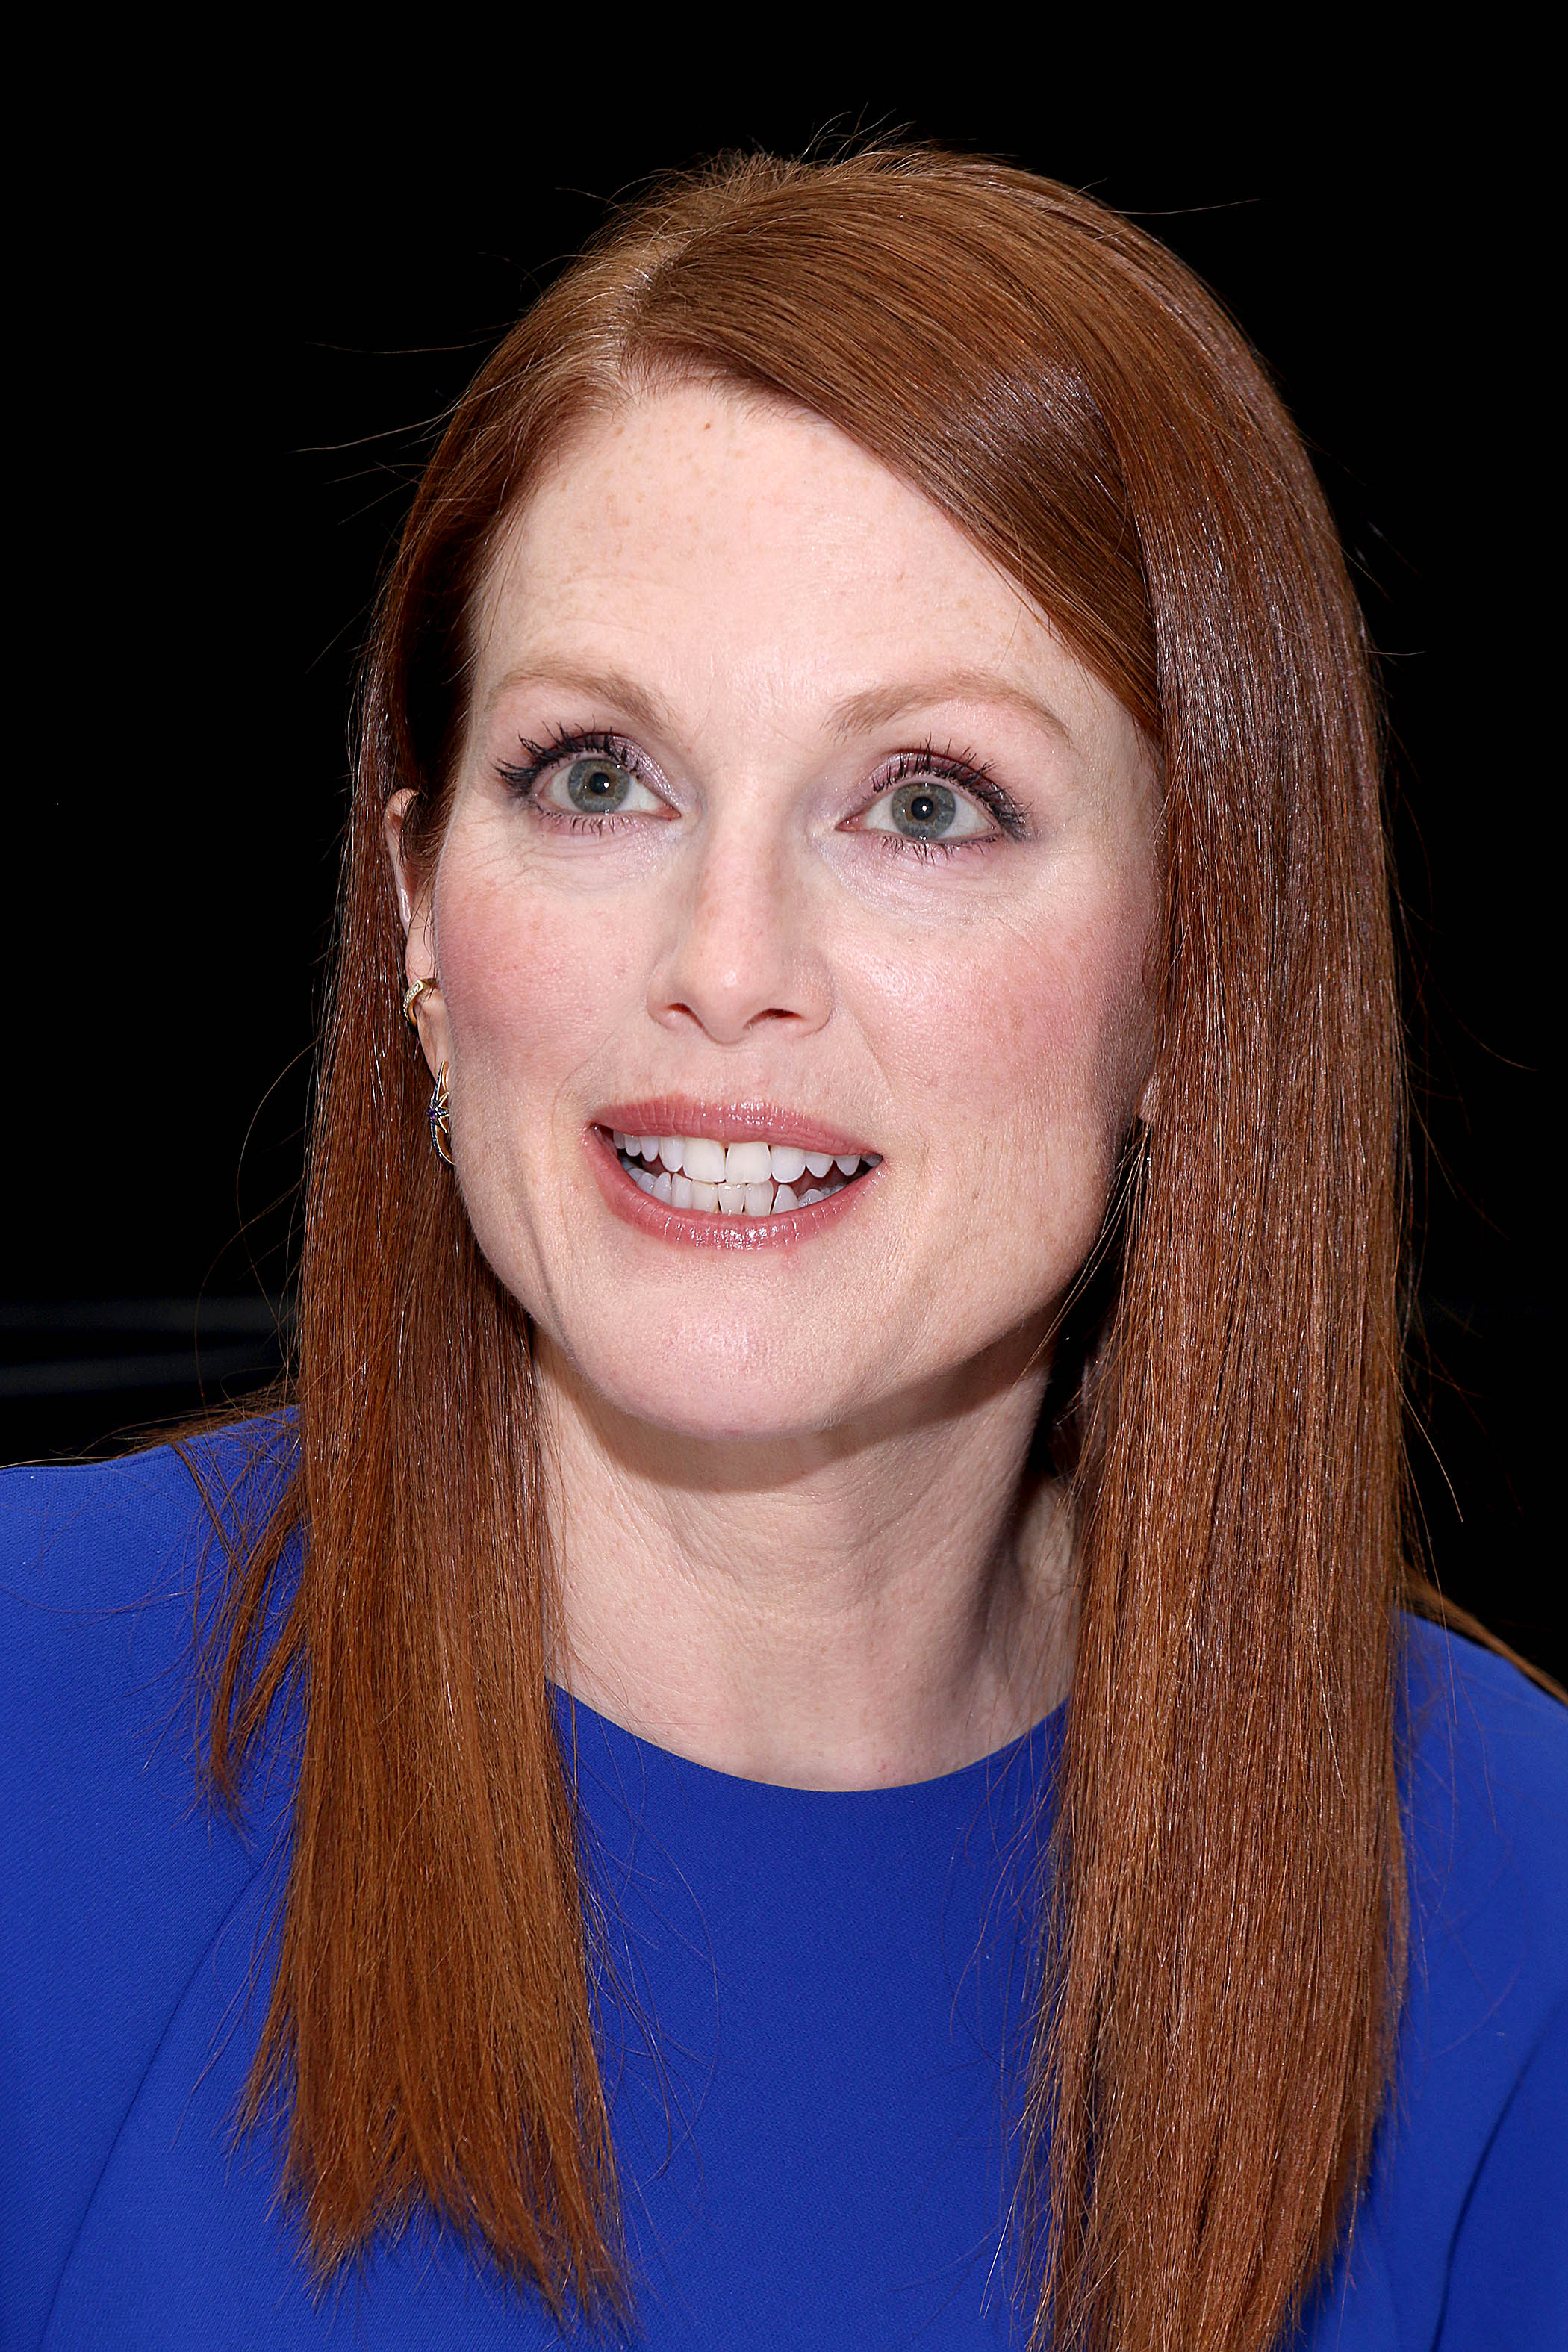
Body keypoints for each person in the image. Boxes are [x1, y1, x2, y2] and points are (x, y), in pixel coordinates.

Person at [2, 146, 1563, 2352]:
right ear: (423, 919)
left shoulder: (1503, 1909)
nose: (725, 963)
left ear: (1197, 981)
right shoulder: (34, 1732)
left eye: (925, 803)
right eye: (597, 778)